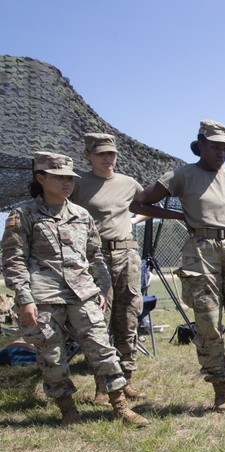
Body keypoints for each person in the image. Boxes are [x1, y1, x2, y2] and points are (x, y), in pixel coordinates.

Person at [131, 120, 225, 412]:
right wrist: (180, 216)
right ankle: (221, 391)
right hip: (200, 250)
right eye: (215, 147)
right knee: (208, 323)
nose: (221, 153)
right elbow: (139, 204)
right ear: (201, 145)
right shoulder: (182, 176)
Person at [1, 152, 149, 427]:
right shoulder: (23, 215)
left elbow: (95, 256)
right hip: (43, 296)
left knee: (103, 349)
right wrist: (24, 299)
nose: (67, 182)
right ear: (41, 178)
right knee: (52, 357)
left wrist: (102, 288)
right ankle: (68, 410)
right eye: (59, 177)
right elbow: (13, 260)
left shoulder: (81, 215)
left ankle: (120, 406)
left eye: (69, 177)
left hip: (83, 294)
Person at [71, 132, 149, 405]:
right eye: (101, 153)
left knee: (128, 315)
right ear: (88, 155)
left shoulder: (128, 183)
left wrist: (132, 222)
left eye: (112, 153)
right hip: (94, 256)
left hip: (126, 252)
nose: (108, 158)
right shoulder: (79, 183)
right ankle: (103, 386)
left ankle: (126, 380)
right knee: (99, 320)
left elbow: (147, 205)